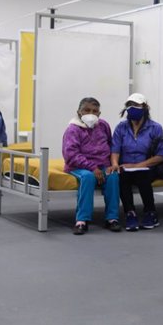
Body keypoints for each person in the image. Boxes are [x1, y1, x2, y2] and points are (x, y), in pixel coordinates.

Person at [108, 93, 163, 232]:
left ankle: (150, 212)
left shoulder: (155, 128)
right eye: (130, 105)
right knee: (122, 177)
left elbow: (162, 155)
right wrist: (115, 164)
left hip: (148, 165)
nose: (133, 108)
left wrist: (137, 166)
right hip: (126, 166)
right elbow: (115, 149)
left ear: (145, 108)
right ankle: (130, 213)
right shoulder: (121, 127)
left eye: (136, 105)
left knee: (143, 176)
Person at [62, 97, 121, 235]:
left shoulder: (104, 125)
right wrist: (92, 167)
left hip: (102, 165)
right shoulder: (73, 129)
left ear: (99, 114)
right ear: (79, 112)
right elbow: (70, 154)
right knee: (87, 178)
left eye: (95, 111)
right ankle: (82, 220)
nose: (91, 114)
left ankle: (112, 218)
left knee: (113, 177)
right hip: (79, 166)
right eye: (87, 110)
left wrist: (111, 165)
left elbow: (110, 145)